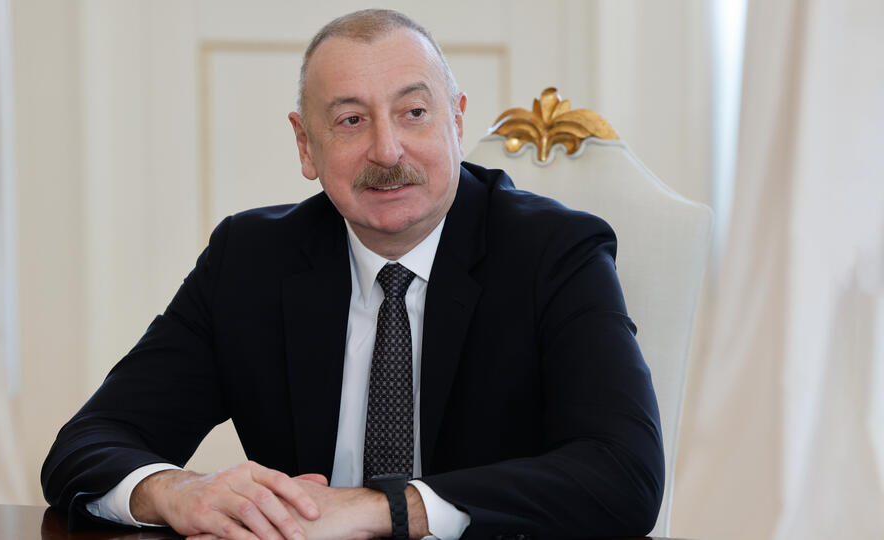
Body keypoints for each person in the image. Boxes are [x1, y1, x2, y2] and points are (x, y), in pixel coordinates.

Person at [42, 9, 663, 540]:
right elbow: (88, 443)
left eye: (413, 112)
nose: (387, 151)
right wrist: (176, 492)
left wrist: (378, 509)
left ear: (456, 121)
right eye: (350, 120)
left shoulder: (554, 253)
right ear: (305, 145)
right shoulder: (251, 260)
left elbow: (623, 475)